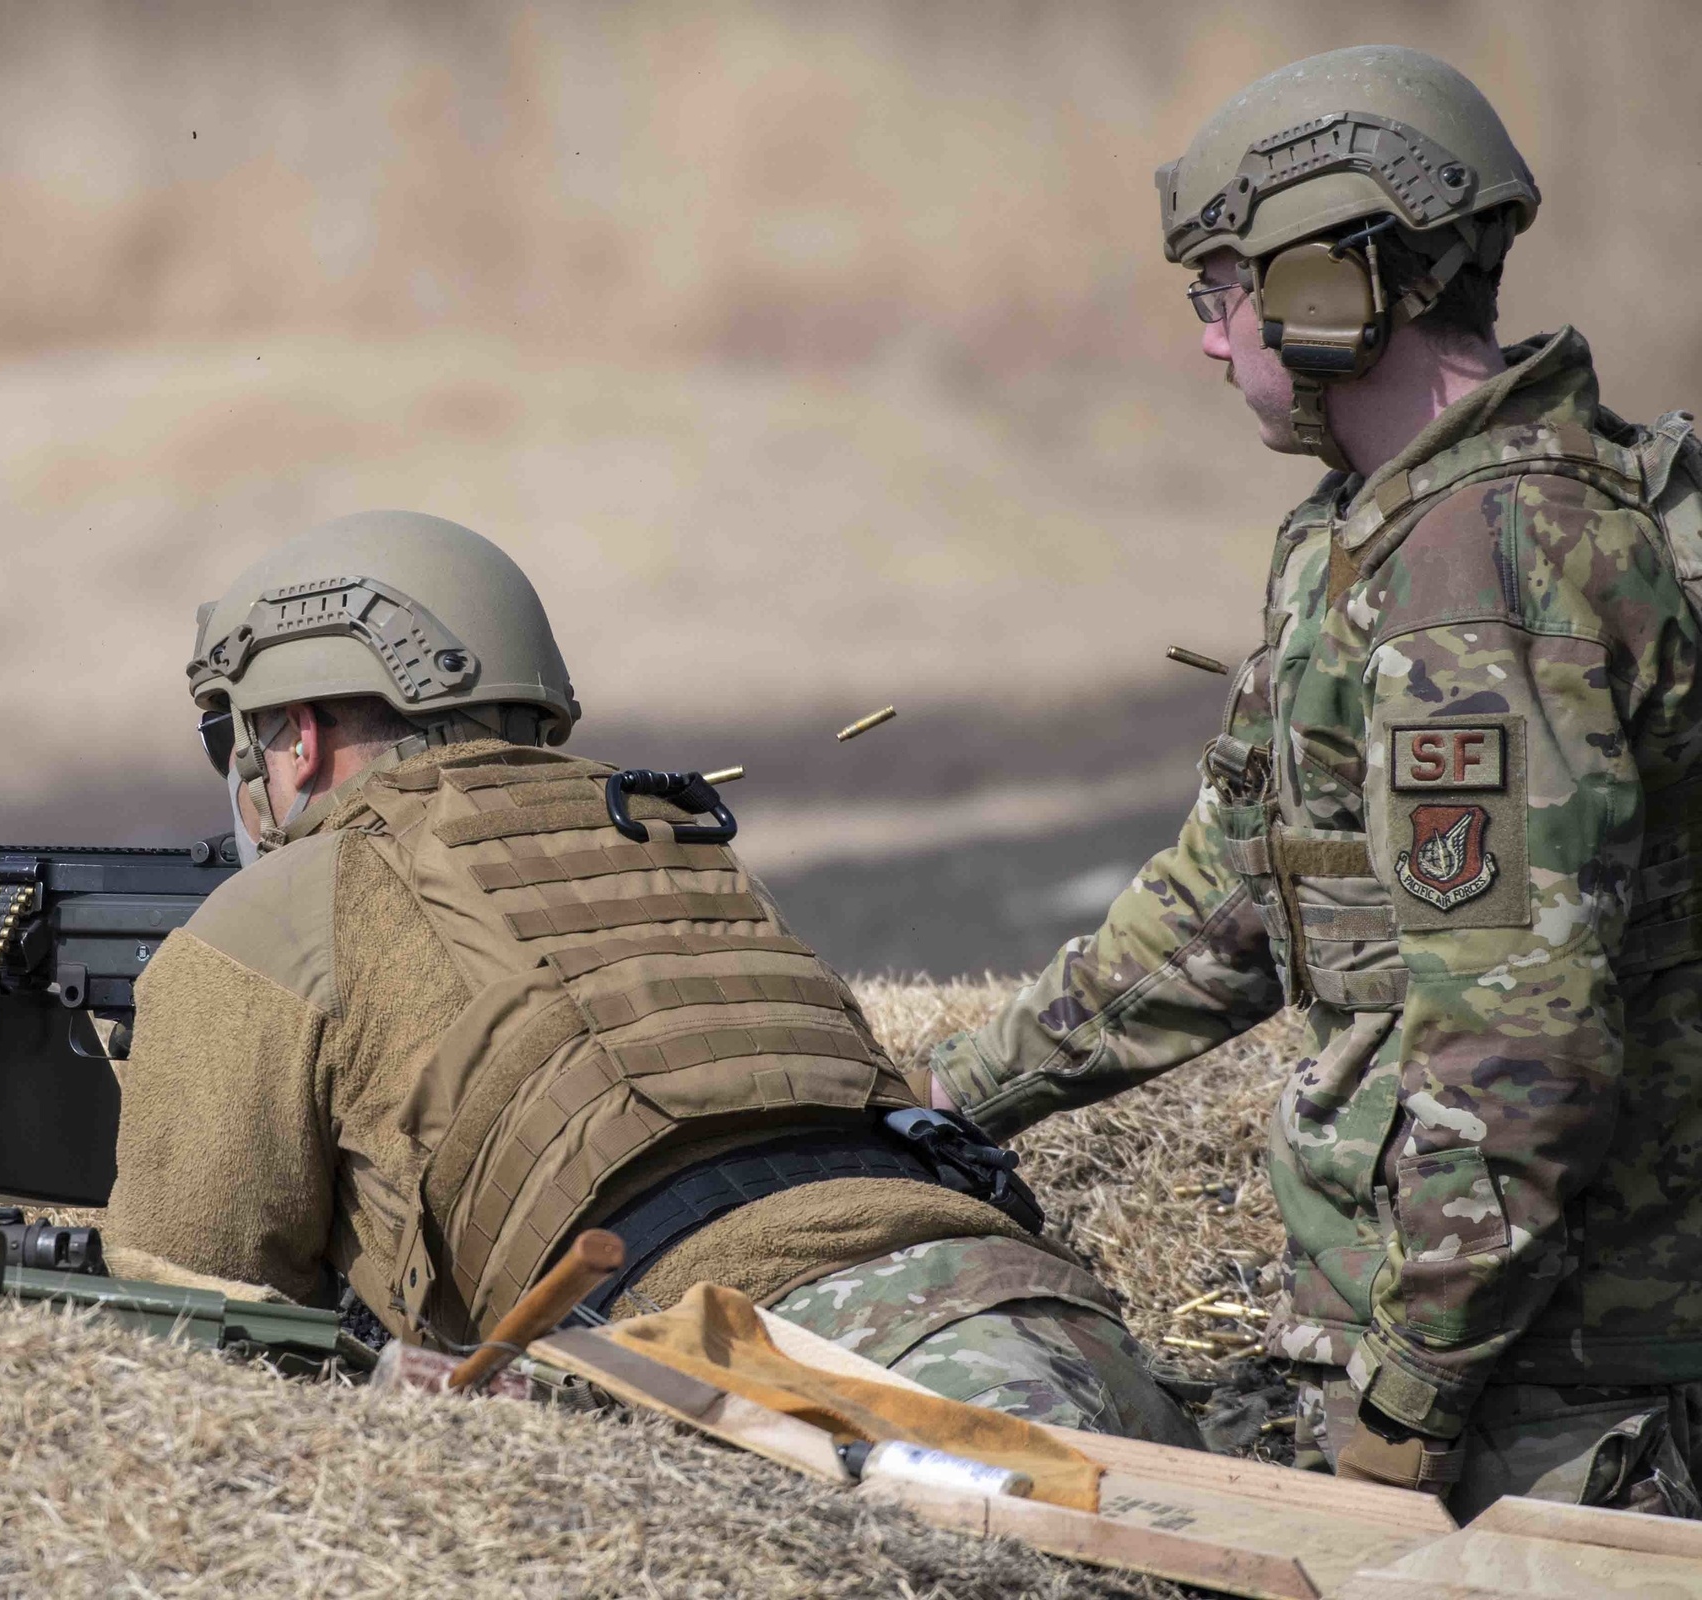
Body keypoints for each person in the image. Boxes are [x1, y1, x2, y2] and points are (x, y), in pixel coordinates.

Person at [926, 45, 1702, 1518]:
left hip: (1554, 1394)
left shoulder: (1485, 573)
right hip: (1497, 1356)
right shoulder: (1378, 526)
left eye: (1224, 292)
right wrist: (950, 1099)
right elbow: (1238, 895)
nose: (1213, 342)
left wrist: (1406, 1408)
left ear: (1338, 285)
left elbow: (1520, 1061)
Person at [110, 508, 1199, 1444]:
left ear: (293, 736)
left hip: (772, 1381)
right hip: (1049, 1319)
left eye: (234, 741)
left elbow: (187, 1311)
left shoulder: (284, 905)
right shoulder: (670, 834)